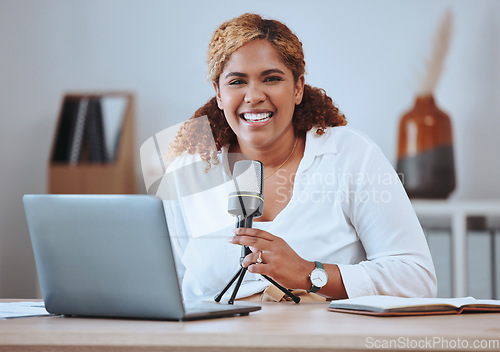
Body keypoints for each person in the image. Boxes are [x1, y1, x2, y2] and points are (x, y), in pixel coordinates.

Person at [153, 13, 437, 302]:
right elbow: (163, 290)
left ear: (298, 87)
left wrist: (308, 273)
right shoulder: (186, 172)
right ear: (218, 94)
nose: (253, 96)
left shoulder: (351, 156)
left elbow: (416, 278)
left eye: (271, 78)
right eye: (237, 81)